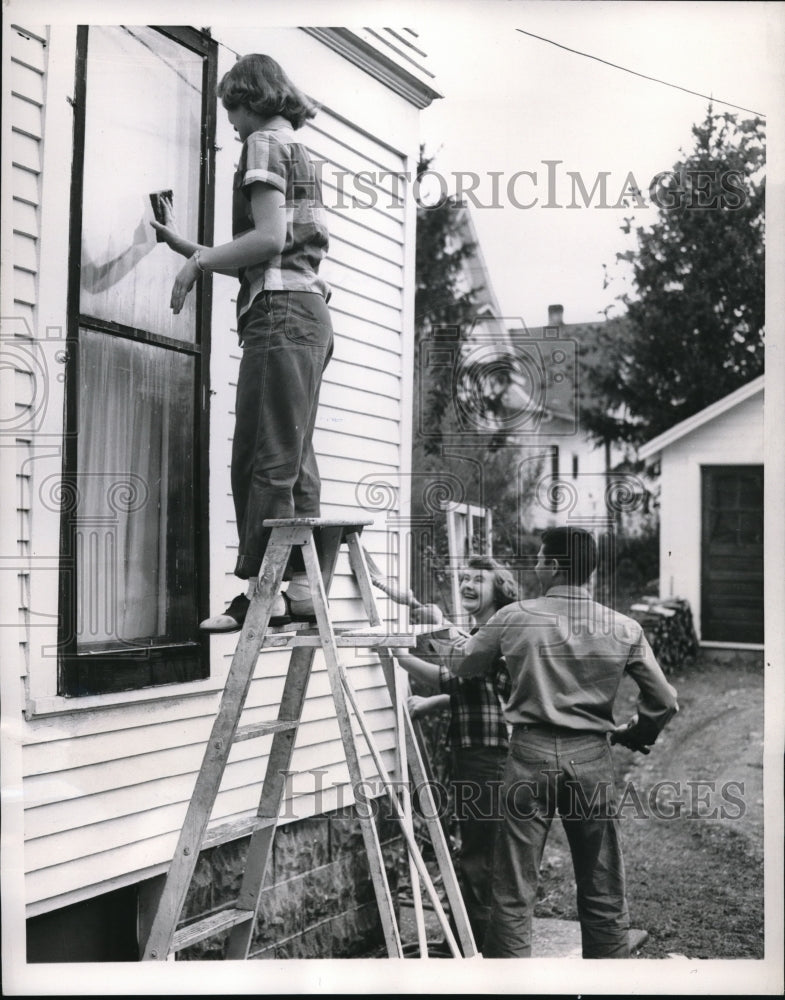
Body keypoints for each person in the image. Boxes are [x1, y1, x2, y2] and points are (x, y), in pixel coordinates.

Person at [432, 526, 679, 958]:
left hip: (530, 755)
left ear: (551, 565)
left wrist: (439, 628)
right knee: (602, 885)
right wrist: (635, 734)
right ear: (591, 568)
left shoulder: (515, 617)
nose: (537, 564)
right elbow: (664, 700)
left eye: (541, 558)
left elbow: (463, 663)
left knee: (512, 889)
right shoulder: (623, 626)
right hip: (592, 758)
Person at [153, 53, 333, 631]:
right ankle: (301, 588)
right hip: (306, 314)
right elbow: (271, 253)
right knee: (294, 456)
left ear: (253, 99)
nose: (229, 122)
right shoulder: (303, 153)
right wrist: (188, 248)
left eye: (231, 108)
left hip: (279, 319)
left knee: (261, 458)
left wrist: (199, 262)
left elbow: (268, 237)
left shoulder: (262, 147)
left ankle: (261, 592)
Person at [373, 555, 518, 947]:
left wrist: (403, 659)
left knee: (480, 855)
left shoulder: (496, 634)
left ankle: (480, 949)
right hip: (476, 753)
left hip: (489, 756)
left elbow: (456, 675)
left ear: (499, 590)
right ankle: (466, 940)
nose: (467, 585)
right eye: (464, 578)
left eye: (478, 581)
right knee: (476, 849)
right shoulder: (484, 632)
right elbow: (468, 686)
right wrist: (408, 607)